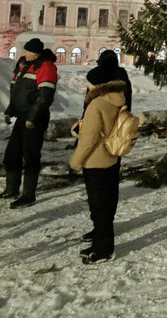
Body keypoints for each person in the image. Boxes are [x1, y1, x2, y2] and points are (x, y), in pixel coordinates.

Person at [69, 57, 131, 264]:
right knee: (108, 199)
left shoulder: (96, 105)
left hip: (95, 160)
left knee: (99, 205)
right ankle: (100, 237)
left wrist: (75, 162)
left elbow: (88, 139)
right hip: (111, 156)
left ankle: (103, 249)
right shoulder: (118, 99)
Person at [2, 38, 58, 208]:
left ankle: (28, 195)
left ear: (36, 53)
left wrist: (32, 118)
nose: (24, 53)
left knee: (30, 156)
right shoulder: (24, 65)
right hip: (22, 116)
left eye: (27, 51)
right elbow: (16, 91)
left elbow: (45, 96)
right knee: (12, 154)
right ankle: (12, 188)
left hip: (35, 118)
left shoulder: (45, 66)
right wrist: (10, 109)